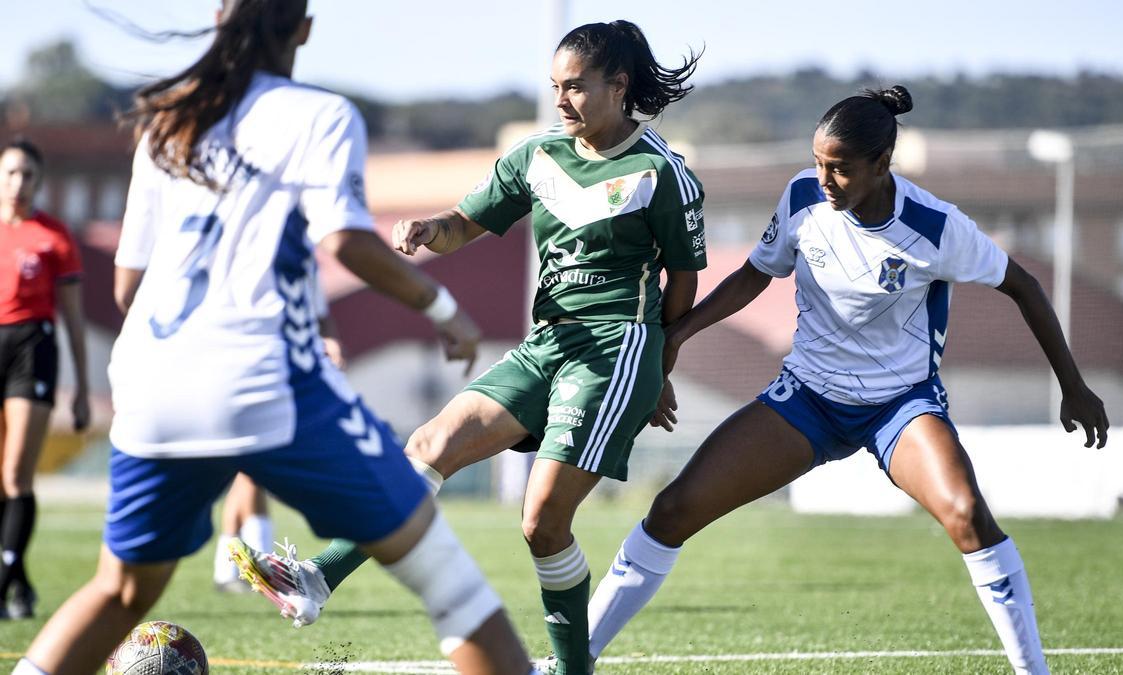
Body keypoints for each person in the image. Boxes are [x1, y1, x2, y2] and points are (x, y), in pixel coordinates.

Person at [12, 1, 536, 673]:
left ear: (217, 19)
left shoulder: (167, 123)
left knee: (119, 590)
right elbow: (345, 238)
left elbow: (124, 289)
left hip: (151, 384)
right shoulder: (321, 115)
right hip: (266, 379)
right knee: (450, 582)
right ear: (305, 27)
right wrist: (442, 307)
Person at [584, 86, 1110, 675]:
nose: (825, 178)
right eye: (818, 163)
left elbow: (1026, 288)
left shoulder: (937, 228)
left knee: (966, 514)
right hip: (805, 399)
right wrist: (676, 336)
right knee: (674, 509)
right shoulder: (803, 197)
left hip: (900, 407)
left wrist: (1074, 384)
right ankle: (571, 662)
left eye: (840, 168)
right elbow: (756, 274)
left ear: (883, 164)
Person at [236, 19, 706, 675]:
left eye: (575, 88)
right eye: (554, 87)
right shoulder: (537, 157)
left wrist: (657, 367)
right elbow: (467, 222)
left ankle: (572, 668)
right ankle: (316, 579)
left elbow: (682, 285)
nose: (561, 100)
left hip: (617, 347)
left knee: (541, 521)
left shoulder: (661, 173)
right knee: (430, 445)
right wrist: (434, 228)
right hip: (545, 346)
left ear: (618, 85)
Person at [116, 259, 343, 589]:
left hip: (282, 374)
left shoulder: (299, 258)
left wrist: (329, 342)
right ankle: (254, 564)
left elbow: (318, 314)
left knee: (248, 473)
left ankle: (231, 565)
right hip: (242, 374)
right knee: (252, 470)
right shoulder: (237, 259)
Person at [0, 138, 90, 621]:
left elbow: (74, 319)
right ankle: (18, 580)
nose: (18, 183)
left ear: (39, 181)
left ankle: (4, 582)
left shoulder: (53, 236)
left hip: (32, 350)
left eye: (27, 175)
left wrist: (78, 389)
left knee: (16, 474)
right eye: (10, 173)